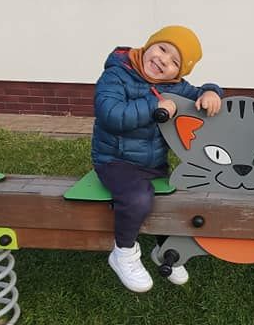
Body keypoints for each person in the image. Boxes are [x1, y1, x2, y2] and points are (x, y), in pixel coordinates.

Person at [92, 25, 223, 292]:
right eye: (162, 49)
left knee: (170, 199)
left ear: (178, 73)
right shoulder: (117, 74)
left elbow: (198, 92)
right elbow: (111, 114)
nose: (163, 60)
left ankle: (165, 250)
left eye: (174, 62)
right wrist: (155, 106)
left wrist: (212, 92)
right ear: (149, 44)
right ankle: (123, 252)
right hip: (115, 160)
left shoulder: (173, 87)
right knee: (137, 198)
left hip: (153, 164)